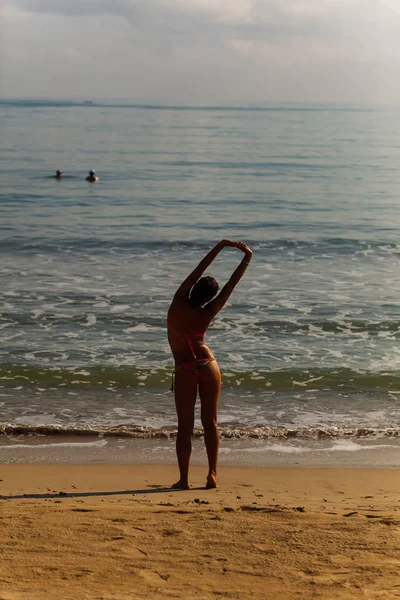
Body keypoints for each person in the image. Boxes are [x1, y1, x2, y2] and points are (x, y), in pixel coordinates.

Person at [167, 239, 253, 489]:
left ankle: (183, 480)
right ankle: (212, 474)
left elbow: (199, 270)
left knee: (185, 427)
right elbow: (230, 286)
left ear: (193, 289)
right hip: (208, 364)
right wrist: (246, 257)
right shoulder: (209, 310)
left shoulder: (178, 301)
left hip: (185, 368)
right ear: (210, 297)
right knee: (210, 423)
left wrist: (221, 246)